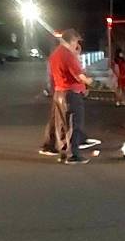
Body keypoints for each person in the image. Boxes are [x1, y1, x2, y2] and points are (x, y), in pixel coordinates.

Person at [41, 29, 99, 164]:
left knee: (62, 125)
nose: (77, 45)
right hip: (71, 94)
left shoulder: (55, 54)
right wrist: (92, 82)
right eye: (77, 42)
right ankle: (73, 155)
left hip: (60, 92)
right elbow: (79, 75)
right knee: (74, 124)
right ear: (72, 40)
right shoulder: (68, 55)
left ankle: (63, 151)